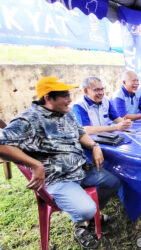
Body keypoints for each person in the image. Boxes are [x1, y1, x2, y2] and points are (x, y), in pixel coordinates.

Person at [0, 77, 121, 249]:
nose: (70, 99)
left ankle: (90, 216)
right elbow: (2, 143)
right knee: (85, 209)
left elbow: (80, 133)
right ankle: (83, 222)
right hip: (58, 178)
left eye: (68, 94)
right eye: (64, 95)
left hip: (81, 169)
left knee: (113, 182)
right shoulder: (30, 120)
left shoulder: (67, 113)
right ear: (48, 98)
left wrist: (94, 146)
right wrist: (35, 165)